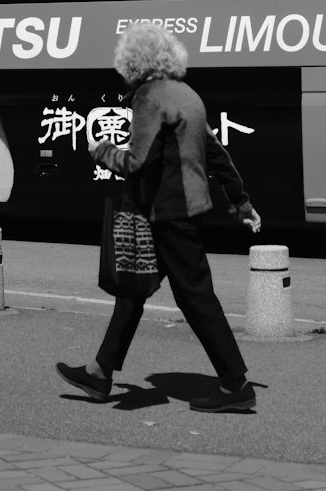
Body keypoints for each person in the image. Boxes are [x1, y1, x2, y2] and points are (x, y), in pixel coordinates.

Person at [56, 21, 262, 413]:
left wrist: (99, 150)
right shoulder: (189, 95)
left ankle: (235, 383)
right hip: (179, 211)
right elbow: (217, 154)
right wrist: (242, 203)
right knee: (134, 289)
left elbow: (137, 161)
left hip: (167, 213)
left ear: (133, 62)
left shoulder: (149, 97)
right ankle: (99, 374)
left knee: (196, 298)